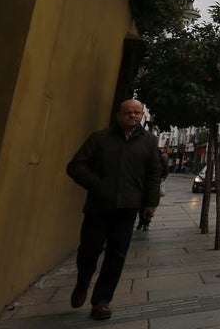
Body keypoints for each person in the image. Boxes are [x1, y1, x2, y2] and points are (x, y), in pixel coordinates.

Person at [66, 98, 162, 321]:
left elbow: (153, 173)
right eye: (128, 112)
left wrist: (150, 203)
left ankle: (101, 300)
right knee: (89, 249)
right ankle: (83, 282)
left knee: (116, 255)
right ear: (119, 115)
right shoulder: (100, 138)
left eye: (137, 112)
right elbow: (75, 166)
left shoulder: (149, 141)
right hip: (98, 205)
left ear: (142, 116)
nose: (133, 116)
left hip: (128, 207)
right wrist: (97, 184)